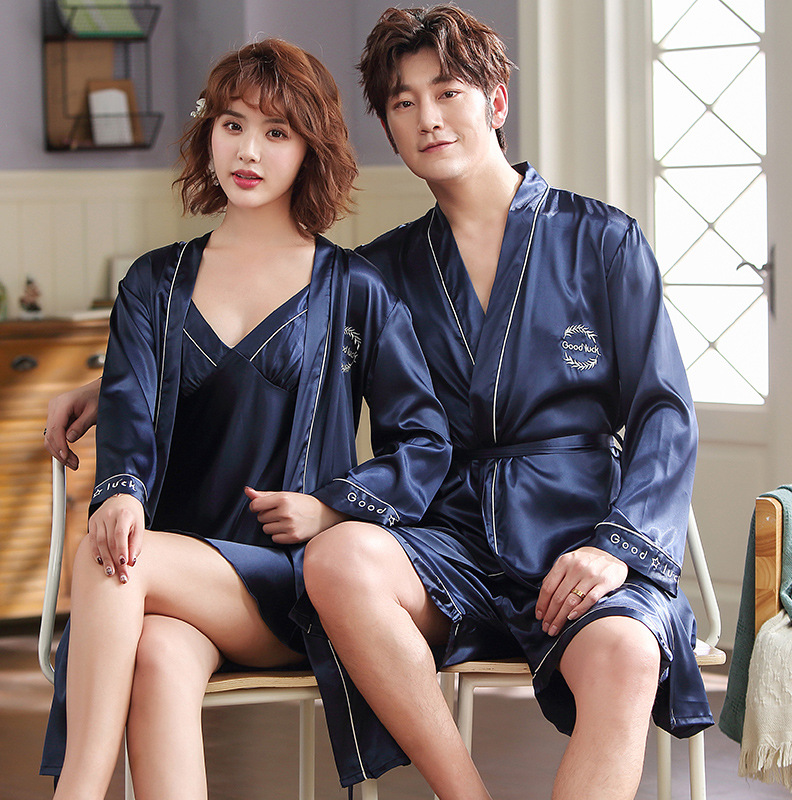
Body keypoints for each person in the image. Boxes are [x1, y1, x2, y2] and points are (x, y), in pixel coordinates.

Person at [44, 7, 714, 800]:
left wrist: (617, 547)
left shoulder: (602, 241)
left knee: (627, 652)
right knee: (323, 564)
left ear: (497, 101)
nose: (427, 117)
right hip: (449, 539)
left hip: (578, 530)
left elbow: (664, 411)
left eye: (448, 92)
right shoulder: (383, 269)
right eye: (403, 102)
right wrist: (119, 380)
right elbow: (278, 317)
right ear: (387, 130)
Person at [39, 38, 452, 800]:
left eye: (276, 132)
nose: (248, 151)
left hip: (285, 587)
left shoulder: (353, 289)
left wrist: (334, 509)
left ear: (310, 149)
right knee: (156, 652)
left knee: (112, 556)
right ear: (209, 132)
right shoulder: (153, 285)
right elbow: (128, 408)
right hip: (170, 584)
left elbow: (424, 443)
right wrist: (121, 490)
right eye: (232, 125)